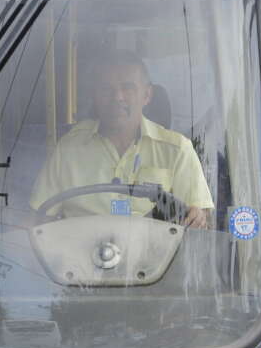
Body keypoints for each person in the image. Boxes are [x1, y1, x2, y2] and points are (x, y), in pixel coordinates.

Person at [31, 54, 214, 228]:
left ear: (147, 95)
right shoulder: (68, 149)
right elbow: (38, 220)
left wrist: (197, 217)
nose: (117, 97)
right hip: (78, 258)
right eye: (106, 89)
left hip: (157, 258)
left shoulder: (177, 150)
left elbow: (200, 221)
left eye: (128, 88)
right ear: (95, 96)